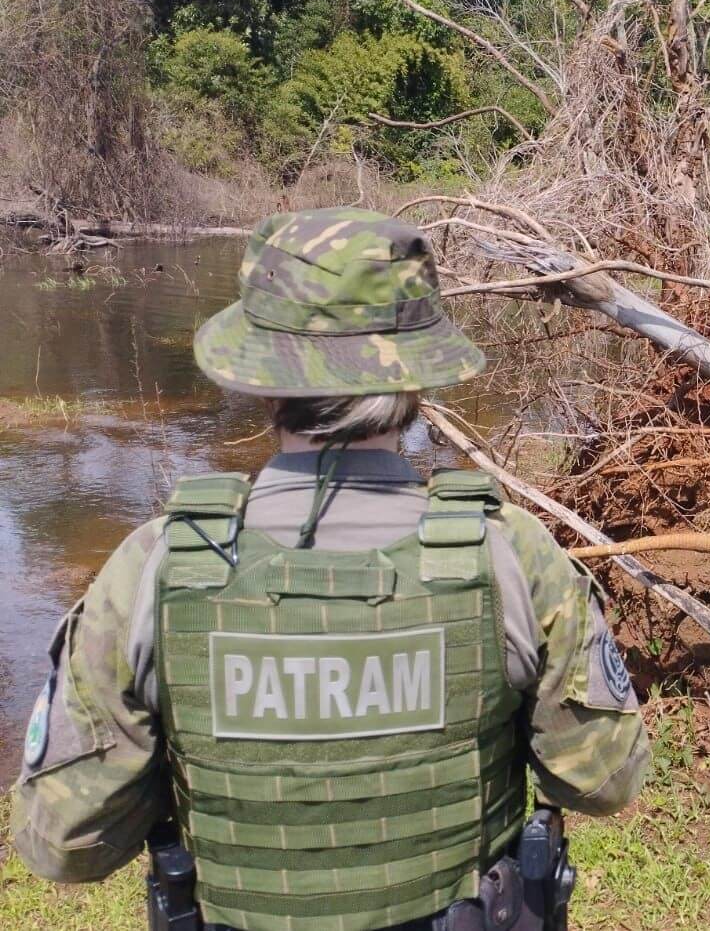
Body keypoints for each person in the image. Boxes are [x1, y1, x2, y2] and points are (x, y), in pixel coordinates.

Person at [9, 207, 650, 930]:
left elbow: (62, 843)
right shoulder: (510, 554)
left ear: (261, 379)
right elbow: (605, 777)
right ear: (416, 379)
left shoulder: (154, 569)